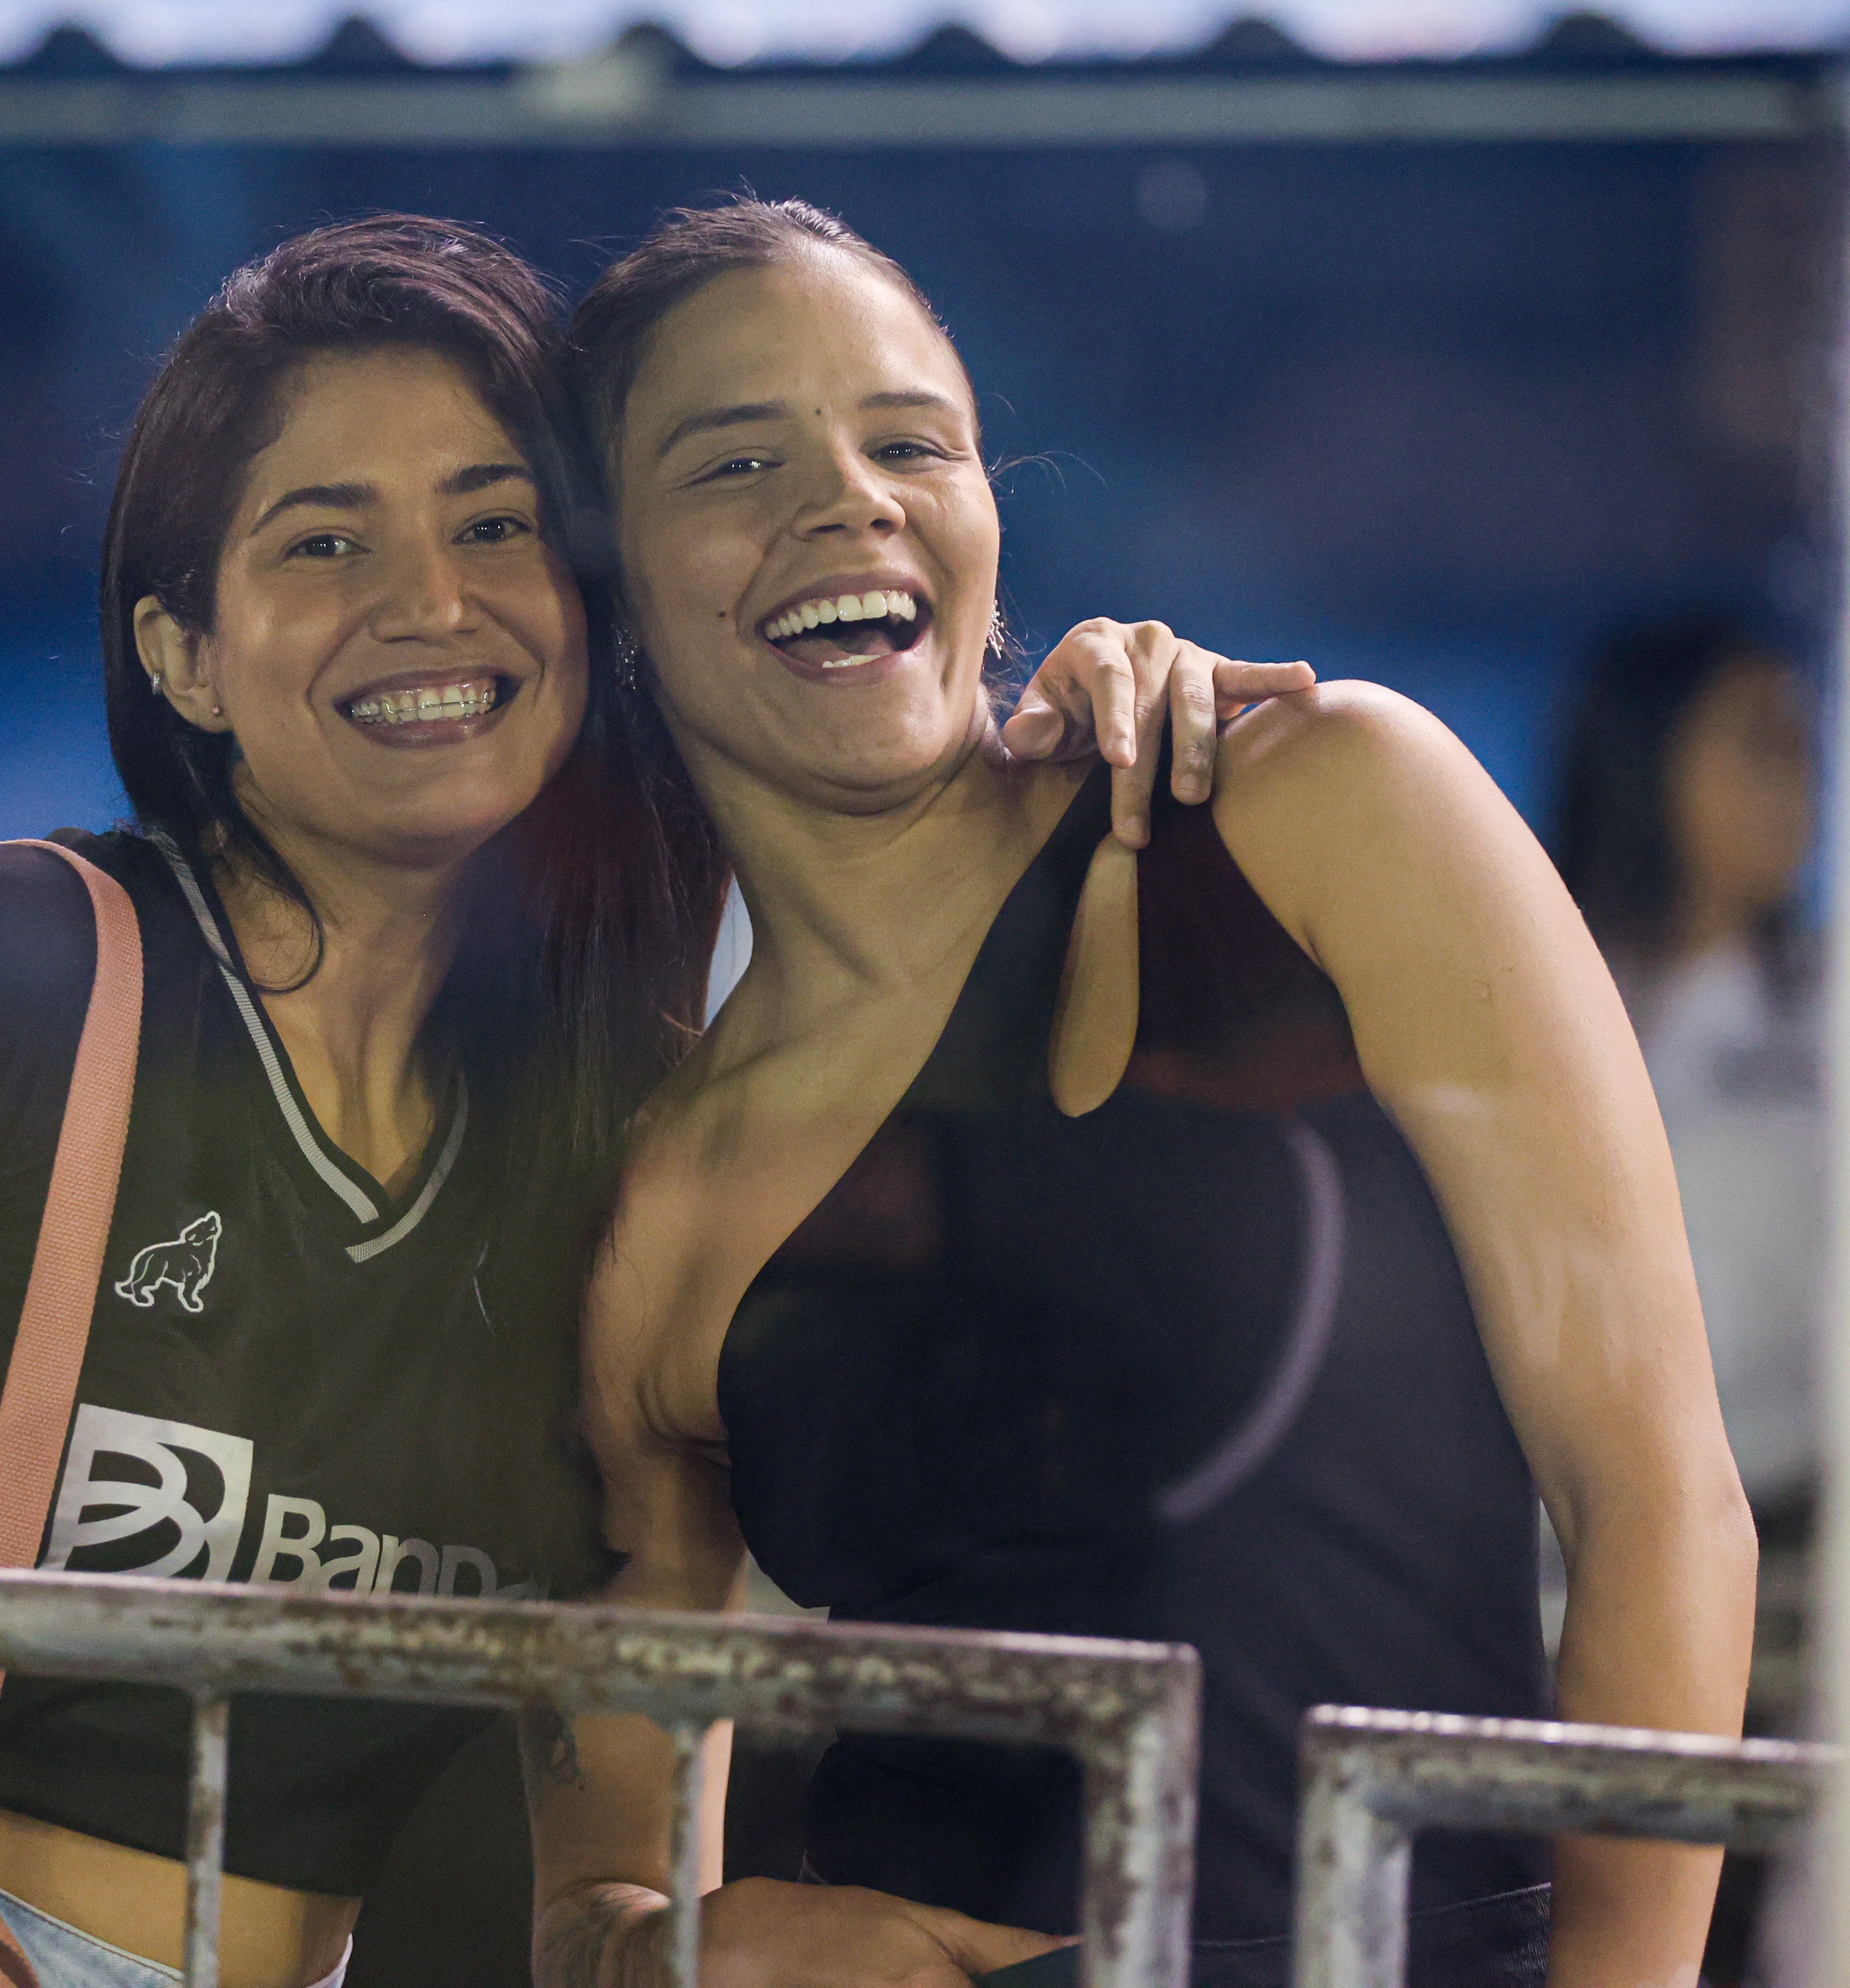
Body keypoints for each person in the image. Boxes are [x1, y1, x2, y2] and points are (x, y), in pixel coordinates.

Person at [0, 215, 1294, 1988]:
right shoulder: (2, 963)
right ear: (183, 652)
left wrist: (1102, 725)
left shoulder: (621, 1137)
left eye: (493, 526)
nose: (427, 603)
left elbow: (613, 1800)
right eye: (322, 544)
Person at [529, 200, 1758, 1988]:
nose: (849, 498)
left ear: (981, 513)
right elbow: (599, 1881)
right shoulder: (657, 1220)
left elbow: (1656, 1495)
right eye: (737, 460)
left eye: (908, 442)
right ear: (614, 592)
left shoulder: (1322, 813)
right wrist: (702, 1954)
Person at [1553, 620, 1823, 1530]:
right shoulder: (1542, 992)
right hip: (1559, 1514)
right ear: (1646, 756)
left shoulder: (1825, 1009)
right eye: (1759, 744)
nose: (1799, 780)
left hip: (1784, 1516)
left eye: (1802, 746)